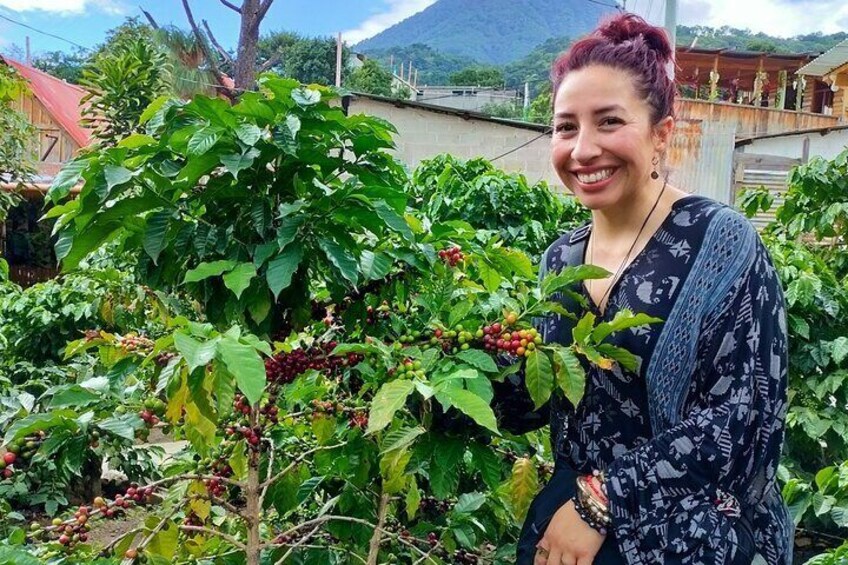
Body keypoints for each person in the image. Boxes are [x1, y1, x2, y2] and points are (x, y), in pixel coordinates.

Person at [496, 13, 792, 565]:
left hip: (690, 531)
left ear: (661, 134)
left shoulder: (721, 242)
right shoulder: (560, 258)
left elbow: (744, 420)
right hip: (567, 525)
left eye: (609, 122)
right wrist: (449, 371)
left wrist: (602, 502)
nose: (582, 149)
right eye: (565, 127)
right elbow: (547, 394)